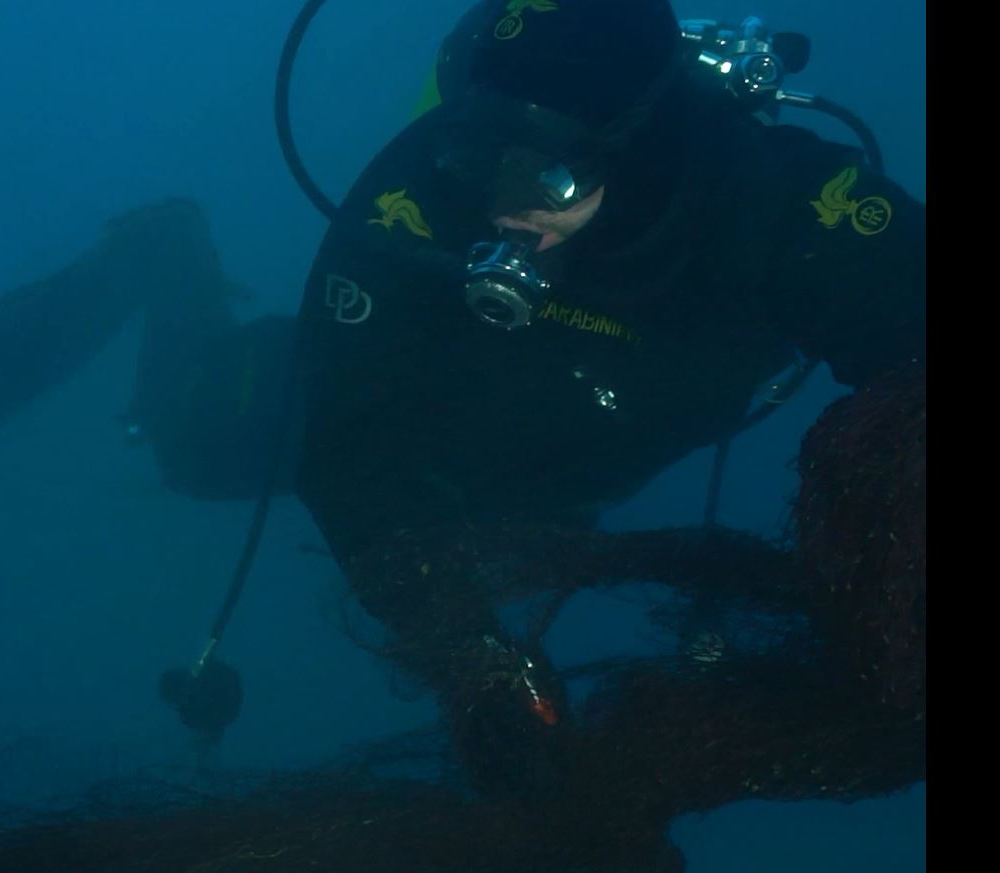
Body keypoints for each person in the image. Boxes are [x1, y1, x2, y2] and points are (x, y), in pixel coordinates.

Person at [122, 0, 923, 792]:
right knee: (187, 444)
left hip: (550, 464)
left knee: (532, 521)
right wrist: (470, 659)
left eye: (543, 166)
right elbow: (347, 446)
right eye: (479, 150)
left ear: (638, 145)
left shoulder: (782, 204)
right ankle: (168, 251)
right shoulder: (422, 184)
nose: (500, 203)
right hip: (375, 410)